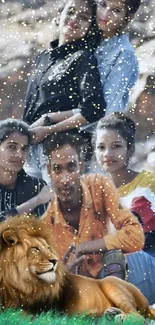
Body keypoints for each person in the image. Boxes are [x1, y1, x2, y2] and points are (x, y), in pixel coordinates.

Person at [41, 132, 145, 286]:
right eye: (57, 169)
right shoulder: (46, 227)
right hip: (80, 293)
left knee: (122, 258)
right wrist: (65, 275)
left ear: (81, 166)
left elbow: (135, 236)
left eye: (71, 167)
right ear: (49, 171)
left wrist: (84, 247)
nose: (65, 179)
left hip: (111, 273)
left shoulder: (99, 186)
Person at [23, 0, 105, 182]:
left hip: (65, 150)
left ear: (90, 28)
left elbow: (93, 110)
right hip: (32, 150)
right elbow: (30, 109)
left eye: (84, 17)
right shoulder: (42, 58)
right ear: (59, 16)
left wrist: (49, 126)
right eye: (71, 11)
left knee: (64, 210)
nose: (75, 18)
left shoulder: (84, 58)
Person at [93, 112, 155, 303]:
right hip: (103, 269)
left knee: (115, 255)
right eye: (101, 147)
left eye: (116, 146)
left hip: (144, 265)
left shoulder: (148, 184)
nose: (108, 154)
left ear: (130, 148)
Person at [0, 119, 51, 221]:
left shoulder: (37, 187)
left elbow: (44, 230)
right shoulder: (39, 196)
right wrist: (36, 201)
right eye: (12, 147)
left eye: (24, 149)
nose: (20, 155)